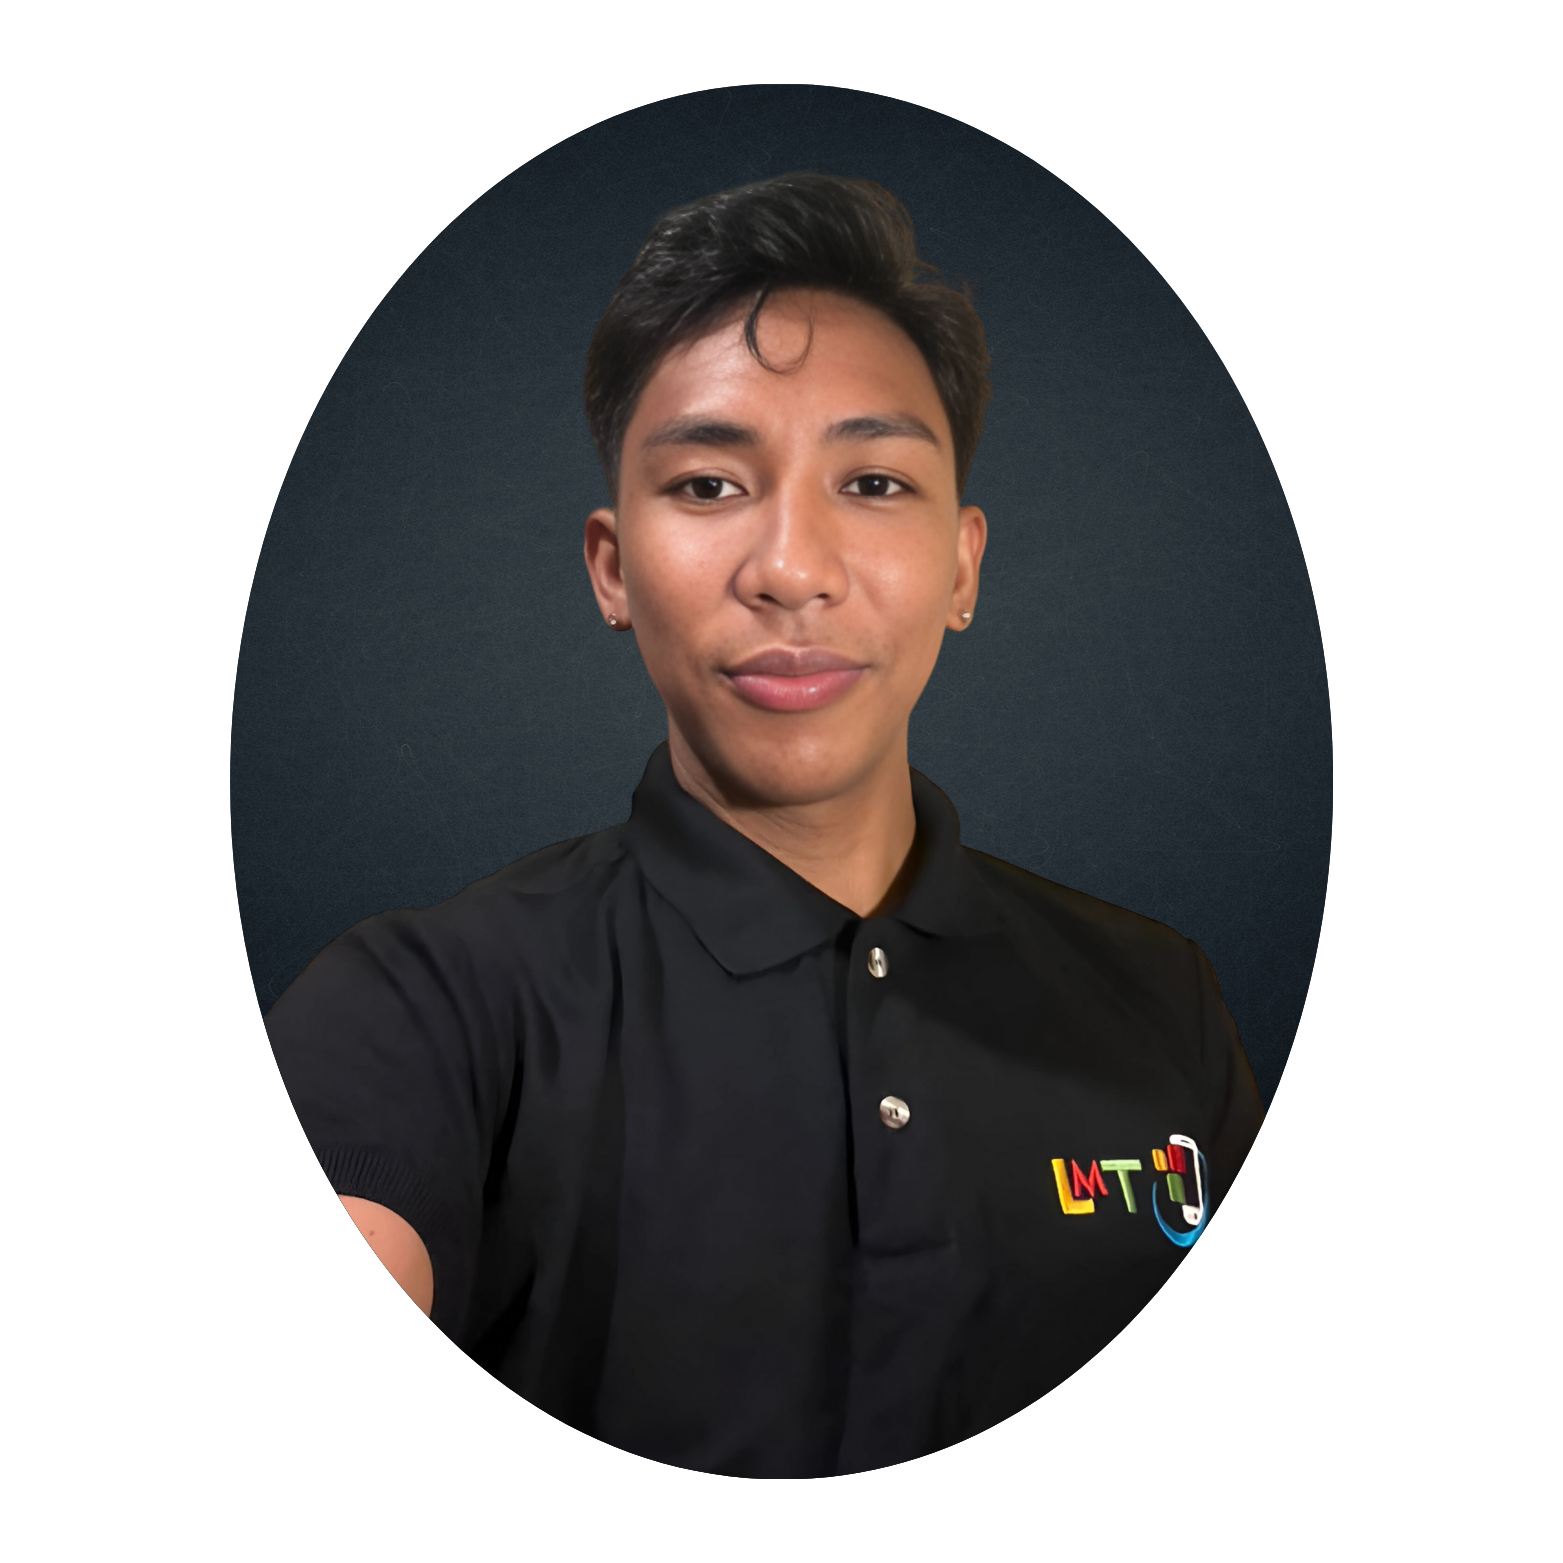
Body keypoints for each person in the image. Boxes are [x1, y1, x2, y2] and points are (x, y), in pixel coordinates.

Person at [265, 172, 1265, 1477]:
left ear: (961, 566)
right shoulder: (422, 1008)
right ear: (612, 566)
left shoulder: (1159, 999)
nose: (790, 565)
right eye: (706, 484)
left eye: (873, 480)